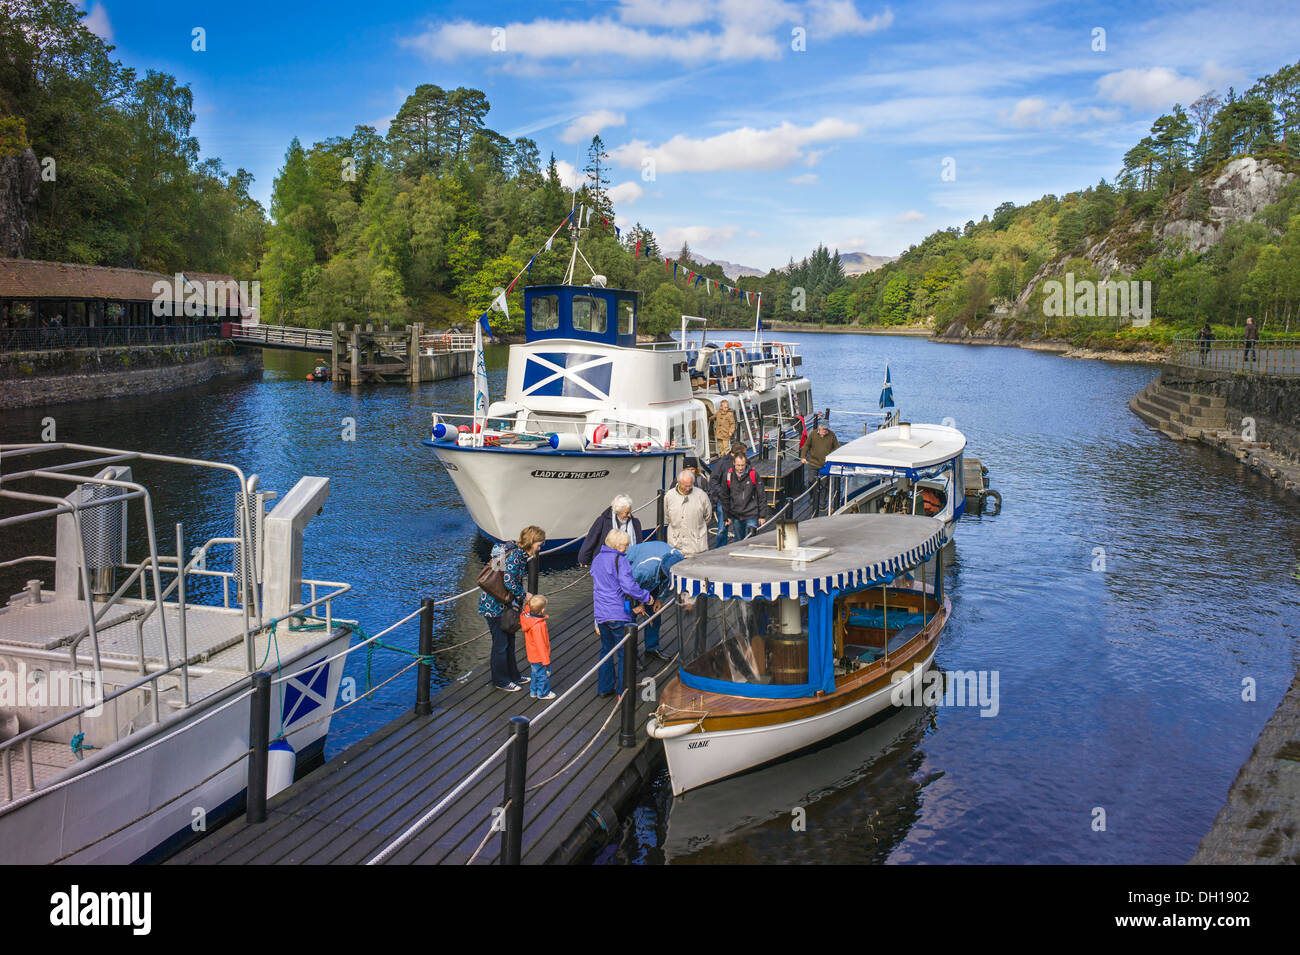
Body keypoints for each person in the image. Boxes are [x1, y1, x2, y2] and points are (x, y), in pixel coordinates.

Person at [590, 529, 658, 696]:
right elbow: (629, 587)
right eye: (626, 545)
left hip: (601, 613)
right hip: (617, 613)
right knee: (624, 653)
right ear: (617, 545)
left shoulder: (597, 559)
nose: (628, 548)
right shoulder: (620, 561)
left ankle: (605, 688)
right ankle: (623, 691)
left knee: (606, 650)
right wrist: (647, 597)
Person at [478, 525, 546, 692]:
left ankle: (513, 675)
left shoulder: (513, 550)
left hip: (499, 604)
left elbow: (500, 574)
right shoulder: (516, 555)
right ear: (531, 542)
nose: (539, 548)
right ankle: (500, 680)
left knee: (508, 641)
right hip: (495, 606)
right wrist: (525, 595)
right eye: (539, 544)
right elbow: (508, 581)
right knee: (500, 644)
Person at [625, 539, 685, 663]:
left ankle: (652, 648)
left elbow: (671, 583)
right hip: (631, 582)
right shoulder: (644, 570)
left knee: (654, 613)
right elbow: (627, 588)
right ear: (663, 570)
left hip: (653, 580)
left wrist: (660, 599)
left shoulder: (678, 559)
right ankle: (630, 656)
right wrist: (636, 604)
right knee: (630, 618)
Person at [578, 494, 642, 566]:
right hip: (605, 563)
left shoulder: (635, 523)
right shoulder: (603, 520)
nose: (629, 515)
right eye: (626, 513)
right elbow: (591, 539)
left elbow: (639, 544)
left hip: (628, 563)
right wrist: (583, 559)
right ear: (618, 512)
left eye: (630, 512)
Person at [663, 468, 711, 557]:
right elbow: (667, 516)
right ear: (678, 482)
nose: (688, 489)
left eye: (690, 485)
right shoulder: (669, 496)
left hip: (697, 548)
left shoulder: (701, 496)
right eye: (685, 486)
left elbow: (708, 516)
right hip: (676, 546)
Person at [720, 451, 767, 540]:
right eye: (738, 465)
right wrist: (726, 516)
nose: (740, 468)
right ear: (734, 463)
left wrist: (762, 515)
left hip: (751, 513)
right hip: (736, 514)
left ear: (746, 463)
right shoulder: (728, 475)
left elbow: (761, 495)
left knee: (751, 540)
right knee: (738, 541)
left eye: (742, 465)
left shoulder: (753, 474)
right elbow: (725, 496)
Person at [708, 442, 747, 548]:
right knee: (722, 528)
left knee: (739, 528)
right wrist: (722, 493)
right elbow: (713, 480)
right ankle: (719, 550)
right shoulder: (722, 463)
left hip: (738, 501)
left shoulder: (745, 463)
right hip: (724, 501)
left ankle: (739, 548)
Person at [800, 421, 840, 515]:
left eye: (827, 429)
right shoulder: (813, 434)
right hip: (813, 463)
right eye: (824, 429)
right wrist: (803, 457)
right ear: (820, 428)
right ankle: (813, 497)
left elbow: (836, 447)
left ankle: (822, 503)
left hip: (825, 464)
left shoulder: (832, 435)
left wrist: (831, 457)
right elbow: (806, 446)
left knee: (824, 484)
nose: (825, 431)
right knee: (811, 481)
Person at [521, 595, 556, 700]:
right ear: (543, 609)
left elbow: (526, 609)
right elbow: (540, 644)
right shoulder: (538, 625)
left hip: (532, 654)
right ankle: (543, 693)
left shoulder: (528, 619)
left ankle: (533, 691)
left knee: (535, 673)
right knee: (543, 675)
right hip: (539, 656)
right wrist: (546, 660)